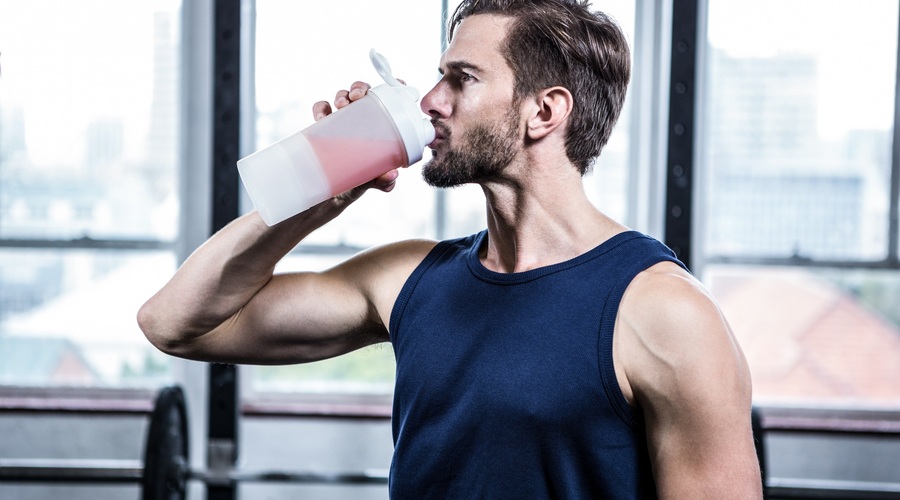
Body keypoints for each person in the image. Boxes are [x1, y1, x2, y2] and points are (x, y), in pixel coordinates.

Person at [138, 0, 762, 497]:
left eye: (460, 79)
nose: (432, 101)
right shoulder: (408, 279)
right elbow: (174, 324)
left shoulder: (665, 314)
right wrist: (317, 189)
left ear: (543, 111)